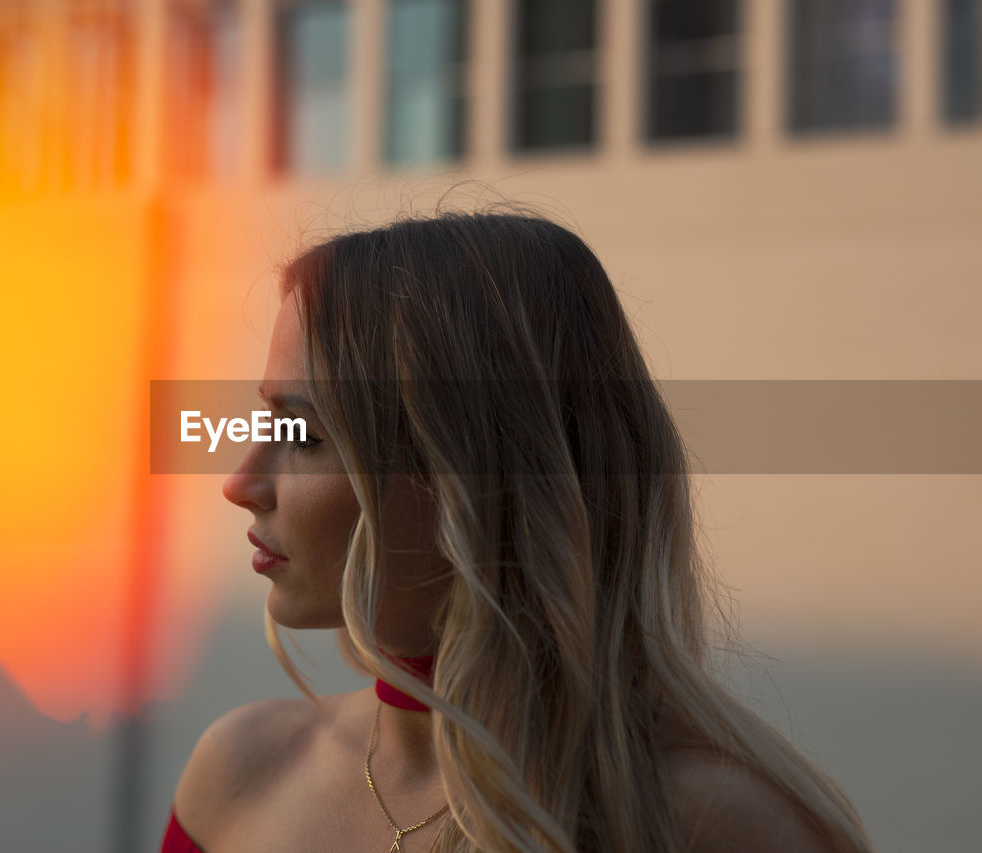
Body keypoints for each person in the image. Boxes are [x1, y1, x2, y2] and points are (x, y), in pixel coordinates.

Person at [160, 211, 874, 852]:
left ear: (465, 470)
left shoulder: (717, 826)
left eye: (305, 433)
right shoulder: (238, 777)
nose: (240, 482)